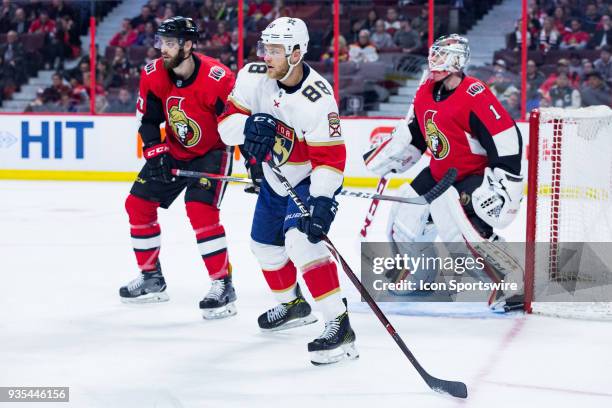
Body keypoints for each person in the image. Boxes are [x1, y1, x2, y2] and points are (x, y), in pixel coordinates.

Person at [217, 17, 358, 365]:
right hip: (274, 179)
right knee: (263, 247)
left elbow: (330, 158)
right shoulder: (253, 77)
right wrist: (250, 126)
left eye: (277, 50)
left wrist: (323, 202)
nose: (268, 56)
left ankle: (339, 325)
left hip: (308, 179)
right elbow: (226, 128)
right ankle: (295, 305)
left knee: (301, 242)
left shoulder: (317, 98)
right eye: (267, 48)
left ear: (296, 53)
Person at [363, 34, 524, 310]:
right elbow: (416, 134)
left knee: (460, 234)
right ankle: (420, 275)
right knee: (403, 220)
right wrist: (392, 156)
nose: (433, 60)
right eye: (433, 54)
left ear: (458, 60)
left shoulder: (475, 93)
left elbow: (505, 136)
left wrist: (506, 183)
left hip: (469, 175)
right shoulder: (426, 90)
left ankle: (513, 282)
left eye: (441, 55)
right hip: (439, 171)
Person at [119, 17, 238, 321]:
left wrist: (254, 161)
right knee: (137, 204)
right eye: (162, 42)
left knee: (199, 209)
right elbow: (148, 120)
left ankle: (222, 284)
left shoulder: (218, 77)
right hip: (174, 150)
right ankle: (151, 279)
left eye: (171, 43)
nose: (164, 49)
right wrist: (155, 151)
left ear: (188, 45)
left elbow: (238, 124)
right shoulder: (153, 74)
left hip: (212, 151)